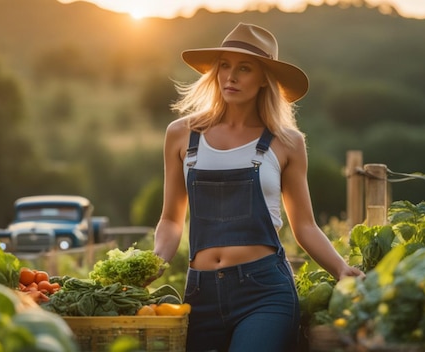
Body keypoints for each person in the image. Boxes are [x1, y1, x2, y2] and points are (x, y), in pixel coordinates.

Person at [149, 22, 364, 352]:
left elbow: (304, 225)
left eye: (244, 68)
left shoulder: (287, 142)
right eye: (224, 66)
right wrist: (153, 266)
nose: (230, 77)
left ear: (265, 78)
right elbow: (171, 219)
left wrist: (340, 268)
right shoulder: (181, 134)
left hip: (264, 292)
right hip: (200, 293)